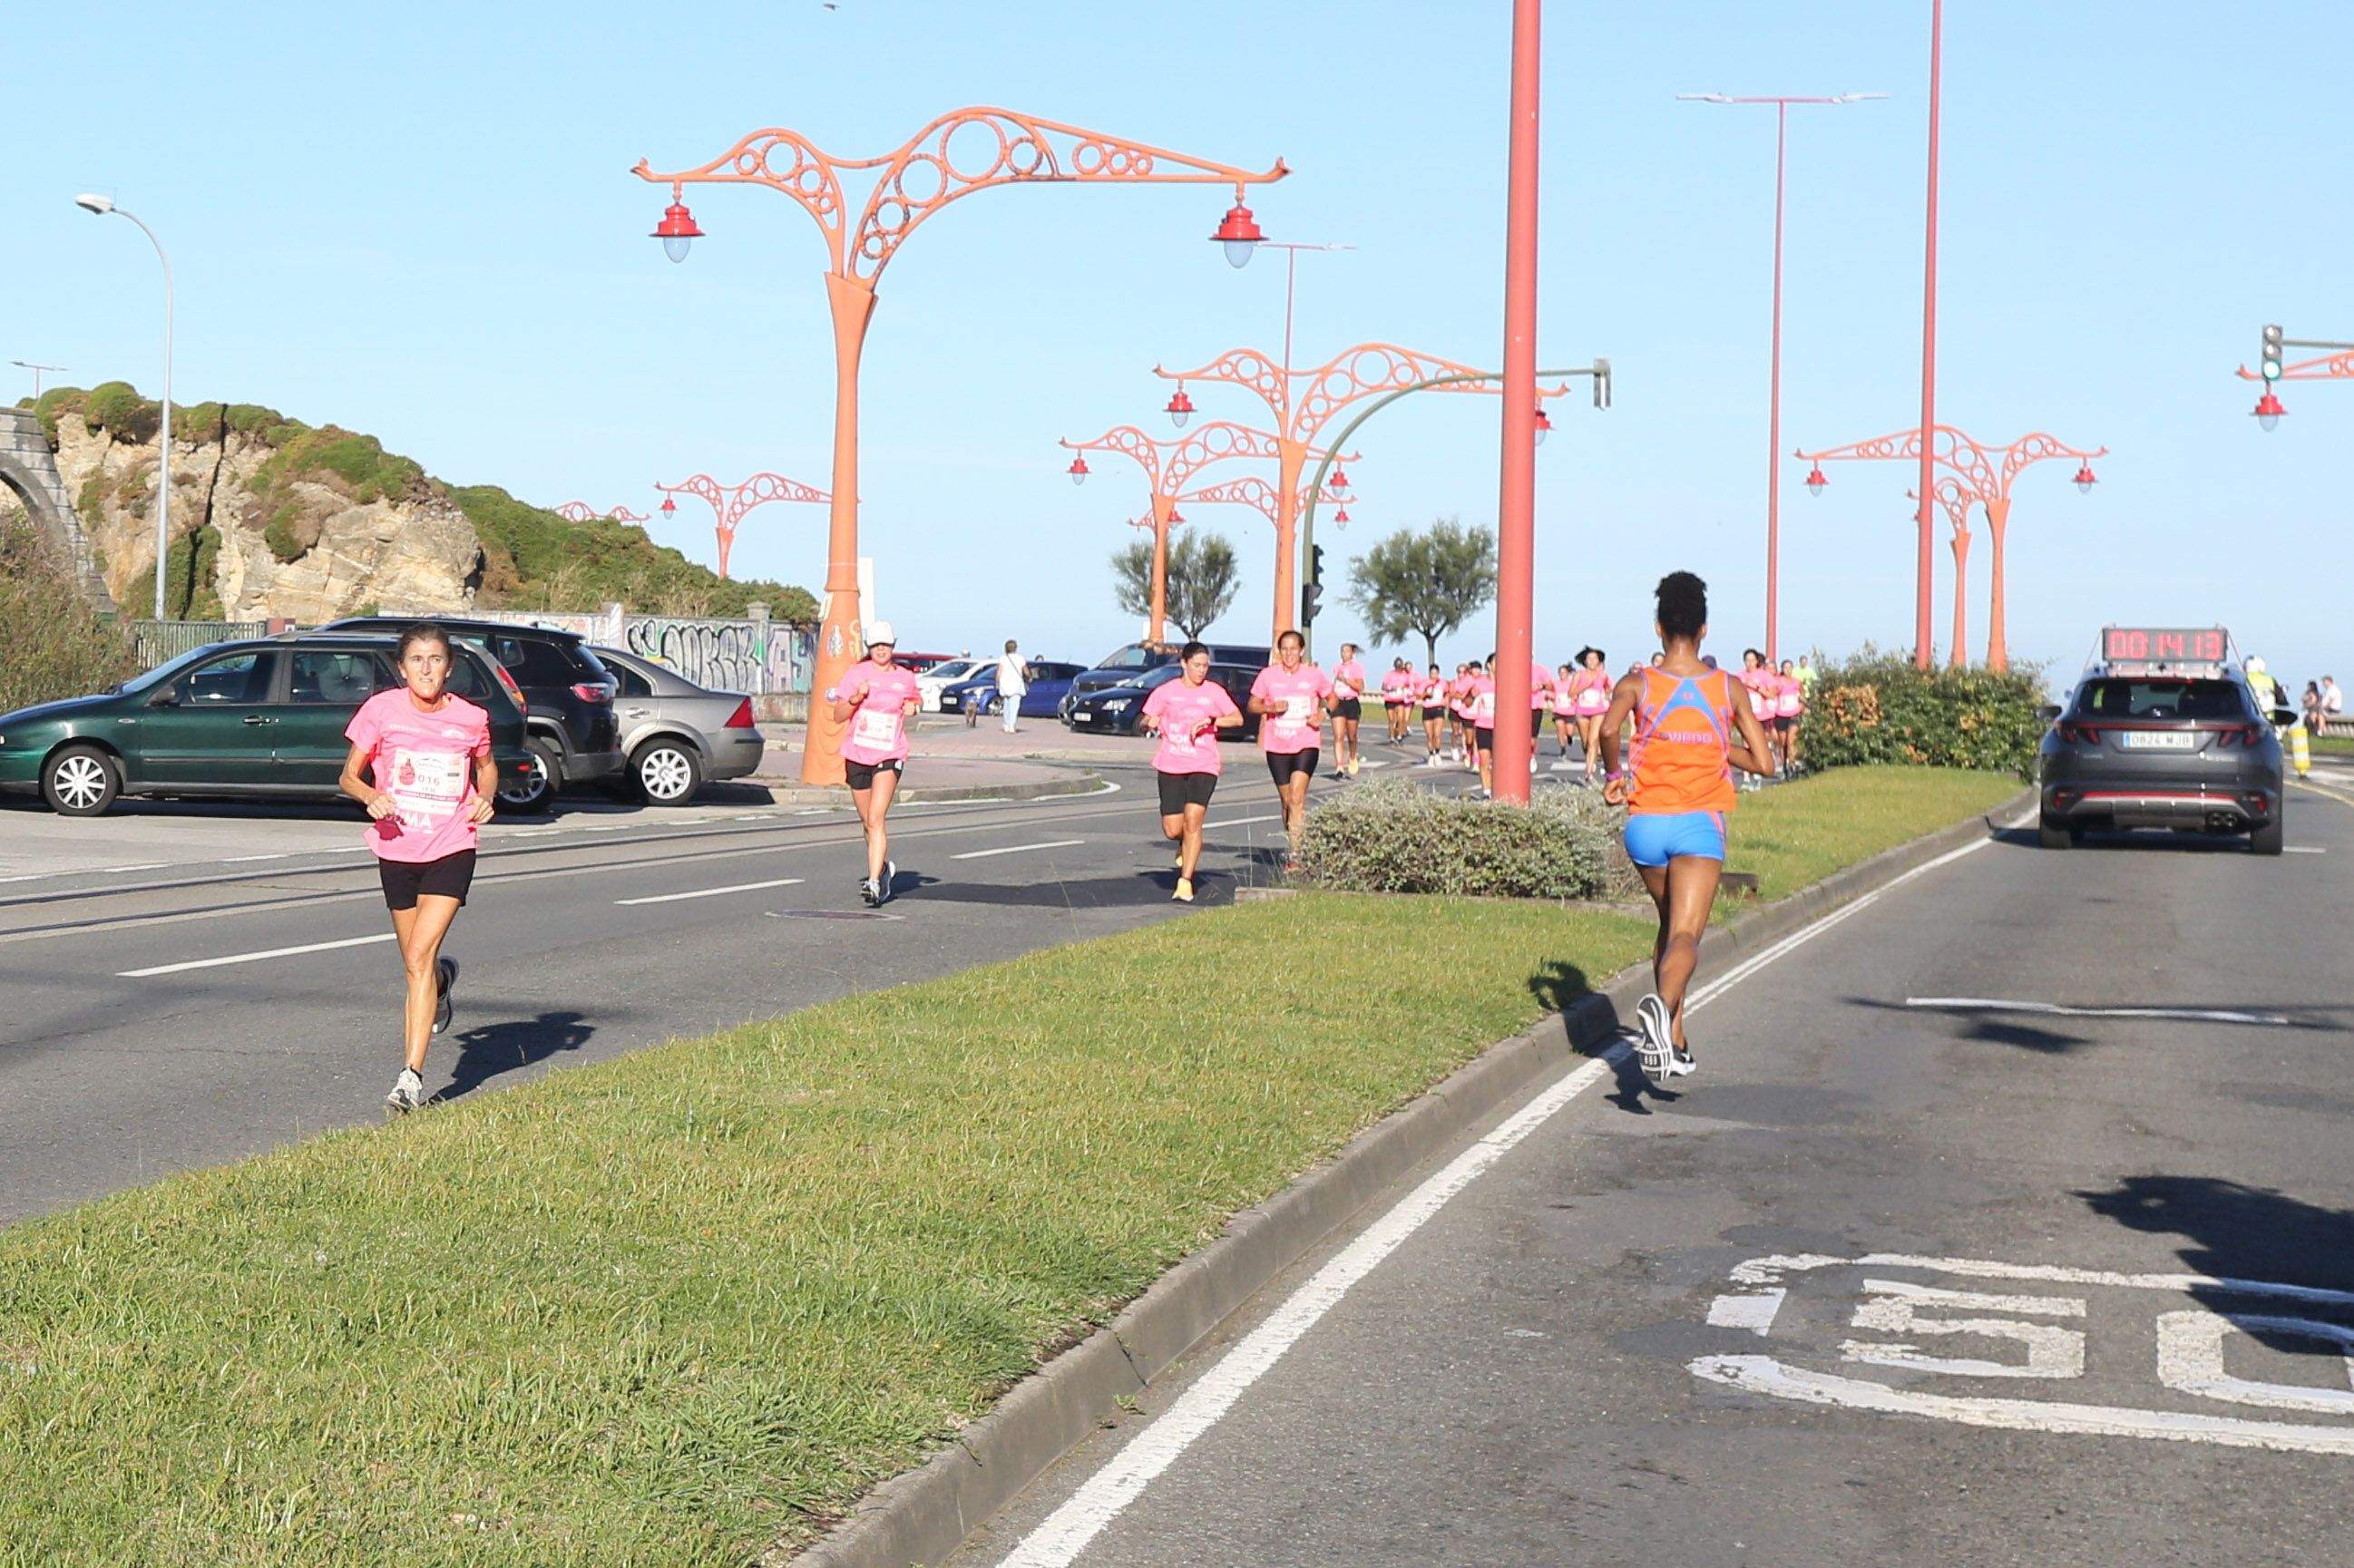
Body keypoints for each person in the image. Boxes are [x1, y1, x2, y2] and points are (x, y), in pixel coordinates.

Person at [1599, 571, 1775, 1086]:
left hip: (1645, 825)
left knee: (1666, 924)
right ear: (1704, 629)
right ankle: (1661, 1005)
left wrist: (1615, 776)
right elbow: (1764, 762)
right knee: (1685, 934)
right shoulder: (1728, 687)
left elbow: (1609, 728)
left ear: (1659, 628)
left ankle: (1673, 1040)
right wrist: (1722, 748)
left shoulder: (1637, 683)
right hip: (1699, 825)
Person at [339, 622, 498, 1115]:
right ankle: (442, 983)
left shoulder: (471, 718)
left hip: (452, 843)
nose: (426, 669)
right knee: (416, 964)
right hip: (397, 846)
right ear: (402, 668)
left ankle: (410, 1077)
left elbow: (486, 766)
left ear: (449, 668)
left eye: (435, 660)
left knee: (420, 952)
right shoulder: (380, 711)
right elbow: (348, 774)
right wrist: (370, 796)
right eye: (416, 660)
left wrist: (487, 798)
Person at [1140, 640, 1245, 901]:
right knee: (1173, 829)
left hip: (1204, 764)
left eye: (1205, 666)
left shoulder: (1213, 692)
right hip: (1171, 763)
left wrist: (1212, 720)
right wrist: (1148, 723)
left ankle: (1185, 880)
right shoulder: (1166, 692)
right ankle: (1182, 844)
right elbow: (1145, 720)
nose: (1201, 671)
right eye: (1196, 665)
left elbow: (1237, 718)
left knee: (1194, 821)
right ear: (1184, 664)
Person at [827, 622, 922, 906]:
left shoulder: (904, 677)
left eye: (886, 645)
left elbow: (916, 701)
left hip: (890, 753)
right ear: (869, 648)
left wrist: (913, 707)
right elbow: (838, 715)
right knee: (866, 822)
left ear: (893, 646)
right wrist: (856, 698)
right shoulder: (857, 673)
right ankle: (882, 869)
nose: (881, 649)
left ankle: (873, 882)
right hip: (857, 754)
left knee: (876, 817)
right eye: (876, 645)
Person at [1248, 629, 1333, 871]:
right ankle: (1292, 839)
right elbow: (1252, 704)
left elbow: (1332, 698)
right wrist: (1271, 707)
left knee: (1297, 797)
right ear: (1278, 651)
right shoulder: (1268, 675)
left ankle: (1296, 855)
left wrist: (1322, 714)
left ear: (1302, 651)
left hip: (1306, 742)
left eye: (1293, 649)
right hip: (1277, 745)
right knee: (1287, 801)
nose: (1288, 654)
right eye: (1284, 649)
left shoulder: (1314, 675)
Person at [1571, 646, 1611, 784]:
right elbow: (1571, 693)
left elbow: (1608, 688)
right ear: (1585, 661)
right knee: (1586, 742)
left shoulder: (1603, 675)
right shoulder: (1579, 675)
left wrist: (1606, 696)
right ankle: (1590, 758)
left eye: (1595, 658)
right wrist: (1584, 687)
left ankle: (1589, 773)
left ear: (1599, 661)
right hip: (1582, 712)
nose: (1592, 661)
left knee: (1593, 740)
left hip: (1598, 711)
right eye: (1589, 658)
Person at [1330, 641, 1369, 778]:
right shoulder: (1336, 668)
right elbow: (1333, 684)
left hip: (1352, 702)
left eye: (1346, 651)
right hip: (1338, 702)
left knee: (1351, 736)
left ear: (1352, 653)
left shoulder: (1357, 668)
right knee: (1338, 736)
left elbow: (1360, 687)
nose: (1344, 654)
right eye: (1342, 651)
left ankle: (1352, 756)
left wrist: (1346, 680)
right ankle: (1339, 766)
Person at [1467, 657, 1499, 798]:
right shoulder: (1480, 683)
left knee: (1499, 762)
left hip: (1501, 729)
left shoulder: (1506, 682)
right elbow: (1468, 701)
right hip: (1483, 726)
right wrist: (1471, 695)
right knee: (1484, 760)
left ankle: (1499, 791)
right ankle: (1487, 792)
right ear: (1489, 665)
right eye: (1496, 662)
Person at [1776, 657, 1807, 775]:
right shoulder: (1778, 681)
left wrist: (1802, 706)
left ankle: (1792, 764)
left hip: (1794, 714)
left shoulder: (1797, 682)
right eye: (1785, 668)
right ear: (1782, 669)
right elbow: (1773, 693)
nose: (1788, 670)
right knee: (1783, 743)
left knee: (1791, 741)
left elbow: (1803, 694)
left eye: (1790, 668)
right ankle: (1784, 764)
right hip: (1781, 715)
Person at [995, 638, 1030, 735]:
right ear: (1015, 648)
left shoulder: (1003, 658)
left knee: (1006, 705)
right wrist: (1030, 677)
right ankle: (1011, 725)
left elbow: (999, 672)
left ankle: (1006, 724)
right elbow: (1026, 671)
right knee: (1014, 706)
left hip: (1005, 685)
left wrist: (997, 682)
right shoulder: (1020, 658)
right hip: (1016, 685)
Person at [1549, 662, 1578, 772]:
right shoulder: (1555, 683)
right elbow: (1550, 693)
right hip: (1558, 711)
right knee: (1560, 730)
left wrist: (1574, 698)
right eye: (1560, 672)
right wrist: (1551, 700)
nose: (1562, 674)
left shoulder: (1572, 683)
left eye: (1564, 672)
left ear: (1568, 673)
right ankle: (1563, 751)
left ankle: (1570, 738)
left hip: (1570, 711)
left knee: (1569, 731)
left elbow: (1577, 693)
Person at [1421, 663, 1450, 766]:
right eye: (1432, 673)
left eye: (1435, 673)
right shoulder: (1425, 683)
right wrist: (1426, 694)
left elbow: (1447, 692)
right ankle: (1431, 755)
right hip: (1427, 709)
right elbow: (1419, 694)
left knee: (1437, 734)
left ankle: (1437, 753)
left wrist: (1446, 700)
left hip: (1438, 708)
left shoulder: (1443, 683)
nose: (1434, 675)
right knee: (1429, 735)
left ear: (1438, 673)